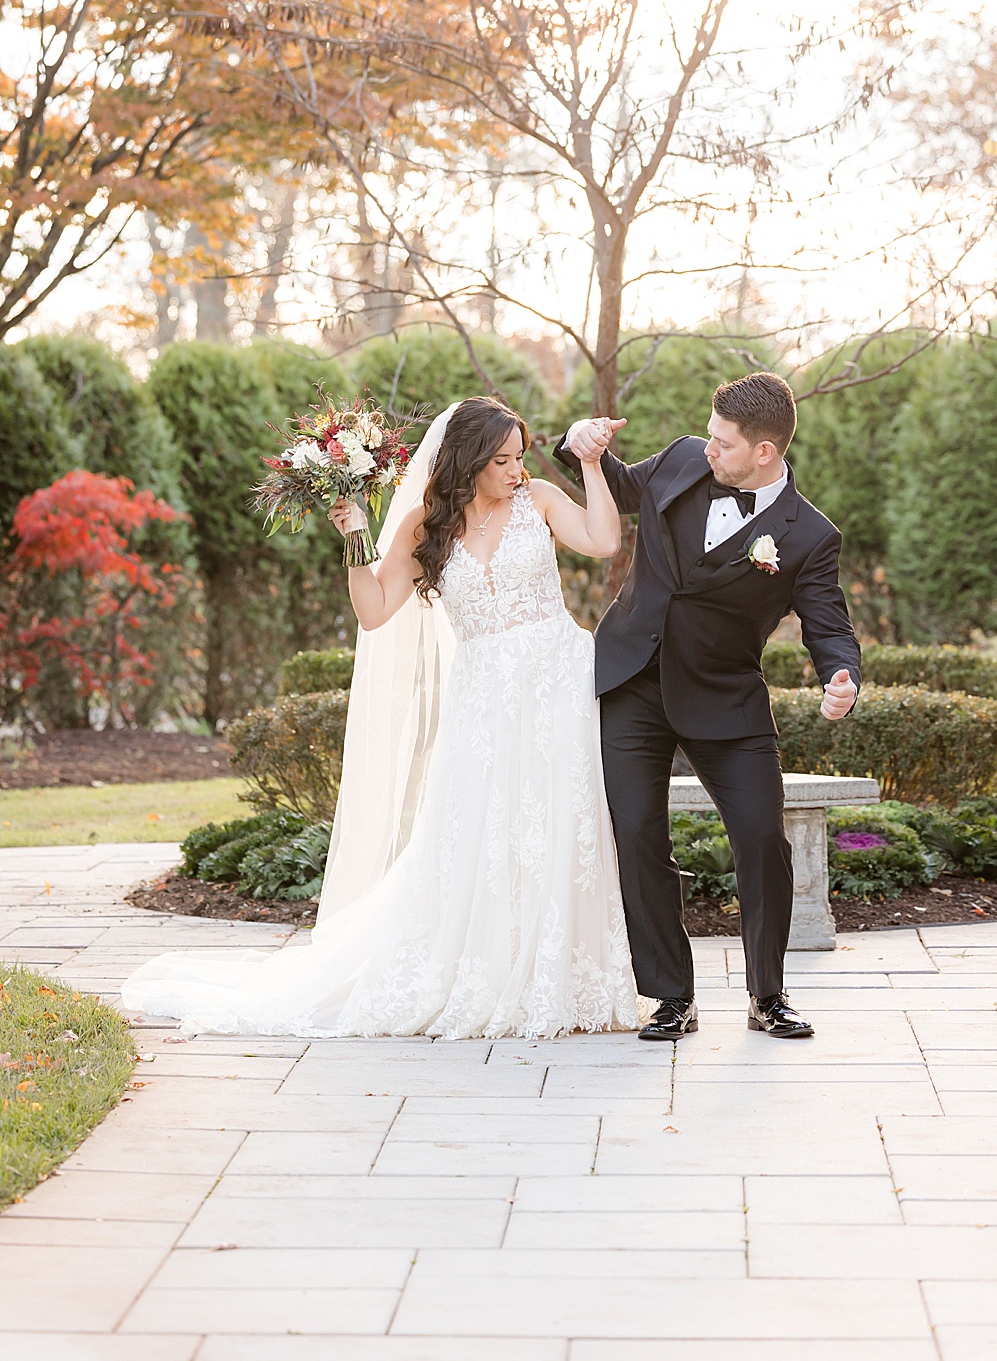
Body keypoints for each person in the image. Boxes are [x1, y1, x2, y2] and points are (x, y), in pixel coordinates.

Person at [122, 398, 642, 1039]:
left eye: (518, 457)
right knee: (482, 834)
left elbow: (604, 539)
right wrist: (353, 537)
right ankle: (486, 975)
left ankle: (559, 978)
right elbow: (374, 609)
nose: (514, 470)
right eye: (501, 460)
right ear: (468, 463)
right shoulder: (428, 525)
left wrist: (590, 463)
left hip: (557, 688)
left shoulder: (537, 497)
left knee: (561, 831)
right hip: (482, 701)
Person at [557, 372, 863, 1043]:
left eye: (723, 443)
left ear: (764, 452)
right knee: (637, 833)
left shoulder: (809, 535)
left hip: (726, 698)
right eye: (711, 434)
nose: (709, 451)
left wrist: (840, 676)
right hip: (633, 678)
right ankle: (670, 995)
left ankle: (768, 995)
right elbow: (612, 481)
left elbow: (828, 624)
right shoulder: (679, 457)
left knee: (762, 840)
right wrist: (581, 445)